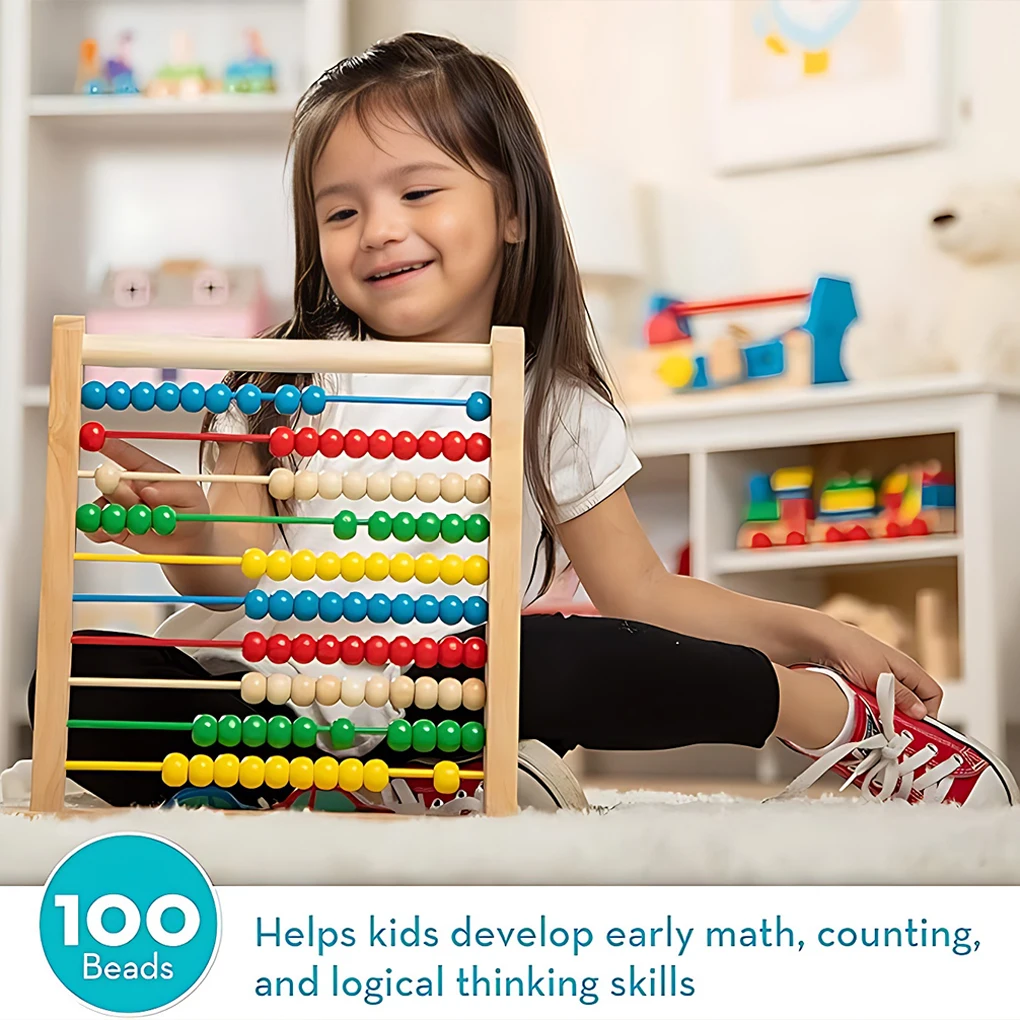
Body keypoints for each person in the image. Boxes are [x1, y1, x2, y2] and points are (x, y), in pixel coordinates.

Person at [40, 33, 1016, 812]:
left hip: (444, 698)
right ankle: (385, 792)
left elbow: (643, 593)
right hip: (260, 711)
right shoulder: (276, 380)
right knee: (73, 688)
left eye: (418, 192)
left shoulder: (551, 404)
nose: (379, 228)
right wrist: (182, 525)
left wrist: (812, 633)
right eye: (340, 213)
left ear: (512, 211)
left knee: (555, 652)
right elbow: (234, 567)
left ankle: (831, 719)